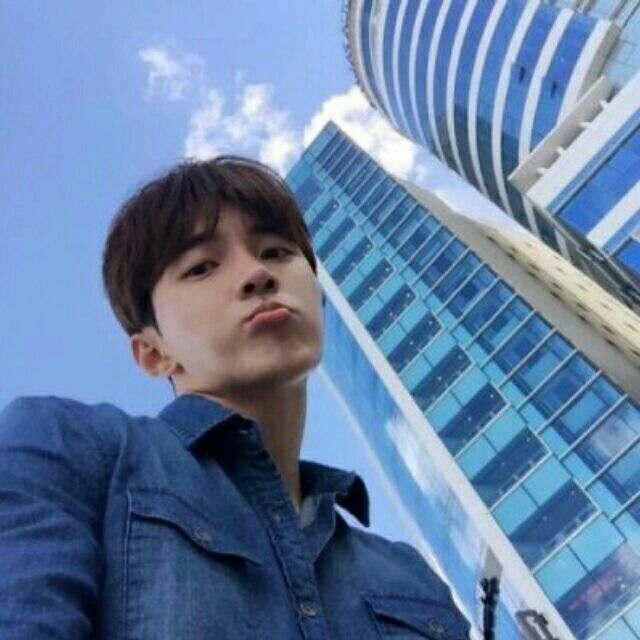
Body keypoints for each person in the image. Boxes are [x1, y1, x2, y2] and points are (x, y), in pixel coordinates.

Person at [0, 155, 471, 639]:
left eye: (276, 252)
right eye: (202, 267)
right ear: (153, 352)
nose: (257, 274)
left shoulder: (406, 573)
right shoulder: (70, 445)